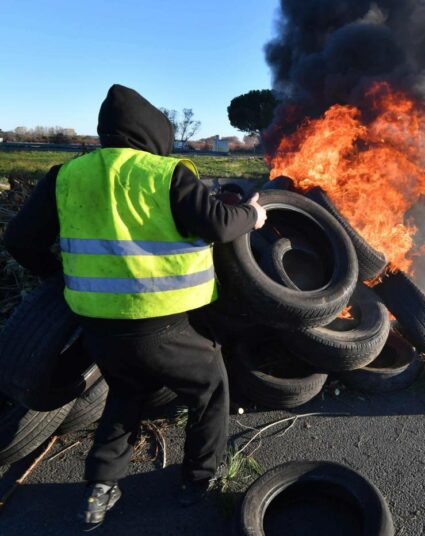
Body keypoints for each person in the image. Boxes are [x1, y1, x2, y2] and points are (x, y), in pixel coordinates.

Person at [3, 84, 267, 526]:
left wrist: (57, 273)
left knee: (126, 393)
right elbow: (220, 225)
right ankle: (199, 480)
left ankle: (99, 489)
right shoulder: (166, 173)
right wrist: (253, 216)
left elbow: (19, 240)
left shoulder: (66, 175)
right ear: (154, 132)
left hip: (99, 328)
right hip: (160, 323)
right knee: (210, 388)